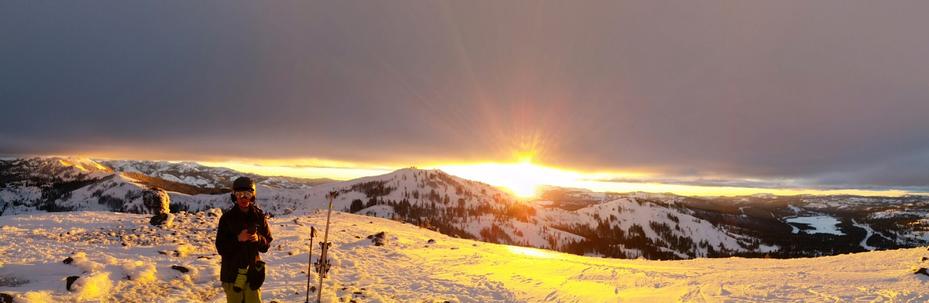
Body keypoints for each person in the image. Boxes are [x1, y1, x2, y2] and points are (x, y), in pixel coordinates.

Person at [216, 176, 272, 303]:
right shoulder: (227, 219)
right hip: (232, 275)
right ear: (234, 196)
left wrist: (259, 239)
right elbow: (221, 248)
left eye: (247, 194)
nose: (243, 198)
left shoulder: (259, 217)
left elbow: (266, 245)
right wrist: (238, 239)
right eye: (239, 194)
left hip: (253, 274)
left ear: (253, 195)